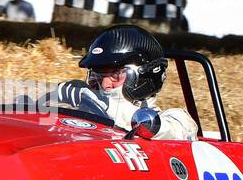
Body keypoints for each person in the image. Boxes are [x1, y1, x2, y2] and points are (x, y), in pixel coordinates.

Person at [47, 25, 198, 141]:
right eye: (98, 76)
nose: (104, 84)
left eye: (115, 75)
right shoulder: (83, 111)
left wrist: (106, 105)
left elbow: (180, 132)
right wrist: (49, 98)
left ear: (143, 77)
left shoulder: (175, 120)